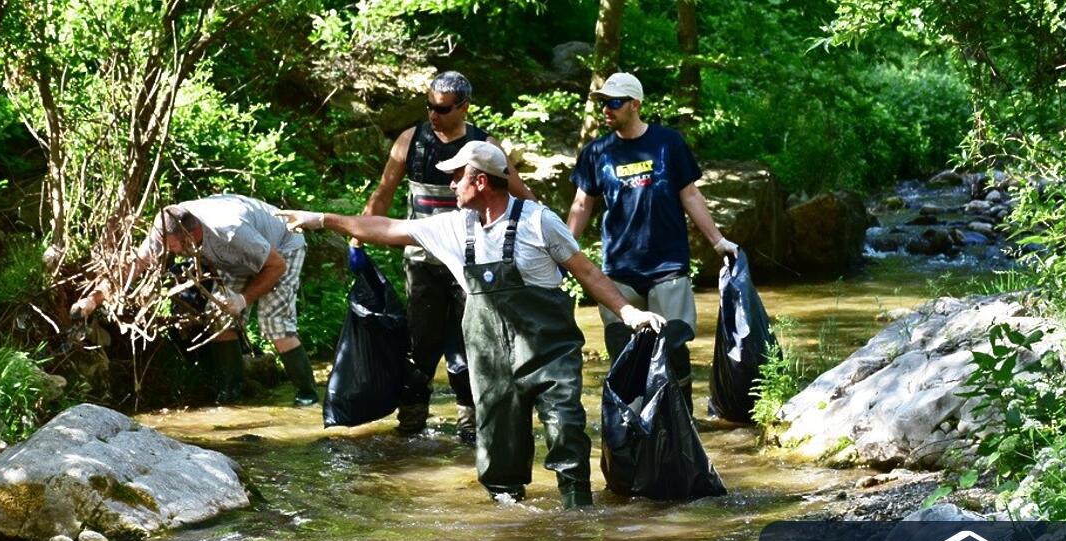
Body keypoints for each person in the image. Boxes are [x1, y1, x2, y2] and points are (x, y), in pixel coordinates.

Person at [278, 141, 665, 509]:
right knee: (497, 446)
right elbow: (385, 228)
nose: (450, 184)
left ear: (479, 180)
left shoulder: (539, 221)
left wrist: (629, 313)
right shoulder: (452, 226)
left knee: (566, 429)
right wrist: (321, 220)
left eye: (456, 176)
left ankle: (577, 512)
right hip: (490, 358)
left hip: (550, 353)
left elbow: (587, 272)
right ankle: (508, 520)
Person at [361, 71, 536, 444]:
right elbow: (383, 192)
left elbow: (519, 193)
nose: (433, 114)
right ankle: (411, 422)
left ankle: (470, 422)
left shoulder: (483, 145)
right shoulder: (411, 141)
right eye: (428, 106)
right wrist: (359, 234)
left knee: (470, 340)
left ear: (463, 107)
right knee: (420, 345)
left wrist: (540, 233)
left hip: (471, 264)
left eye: (441, 108)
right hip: (422, 261)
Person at [568, 72, 739, 412]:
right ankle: (634, 428)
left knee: (673, 347)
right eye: (604, 102)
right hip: (618, 268)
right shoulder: (596, 152)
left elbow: (689, 194)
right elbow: (581, 204)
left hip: (667, 265)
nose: (607, 109)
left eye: (614, 102)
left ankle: (682, 421)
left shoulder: (668, 143)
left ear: (635, 104)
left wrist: (718, 241)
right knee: (623, 350)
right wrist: (563, 252)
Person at [70, 194, 319, 407]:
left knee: (274, 323)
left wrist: (243, 300)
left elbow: (276, 265)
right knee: (219, 315)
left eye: (175, 247)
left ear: (193, 233)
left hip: (283, 247)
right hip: (235, 257)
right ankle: (232, 392)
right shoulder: (167, 225)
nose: (173, 253)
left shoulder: (230, 230)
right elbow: (136, 263)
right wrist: (93, 299)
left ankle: (307, 395)